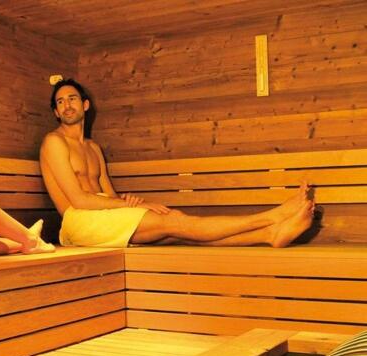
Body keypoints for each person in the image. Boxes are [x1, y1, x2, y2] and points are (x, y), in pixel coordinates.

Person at [39, 78, 315, 248]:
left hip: (103, 216)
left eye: (72, 99)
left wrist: (130, 202)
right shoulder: (54, 142)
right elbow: (78, 200)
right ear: (56, 112)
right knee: (176, 222)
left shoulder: (92, 148)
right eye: (60, 102)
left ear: (85, 105)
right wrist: (130, 206)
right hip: (78, 222)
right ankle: (272, 217)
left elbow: (108, 195)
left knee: (178, 232)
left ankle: (270, 234)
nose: (67, 105)